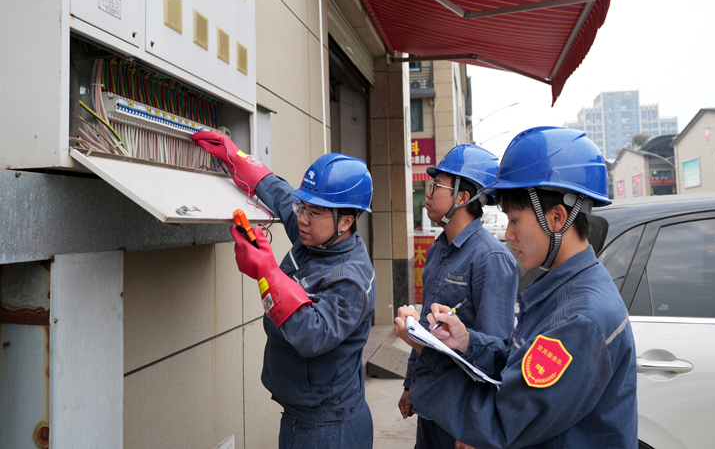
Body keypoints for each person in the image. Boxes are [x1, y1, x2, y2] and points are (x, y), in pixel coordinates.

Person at [394, 127, 638, 448]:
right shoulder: (562, 290)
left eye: (514, 220)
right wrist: (468, 342)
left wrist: (427, 356)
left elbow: (502, 423)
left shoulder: (580, 319)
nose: (508, 234)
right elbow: (519, 362)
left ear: (556, 218)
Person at [192, 132, 376, 449]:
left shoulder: (350, 279)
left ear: (345, 221)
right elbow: (278, 194)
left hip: (328, 429)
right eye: (302, 207)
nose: (301, 218)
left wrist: (266, 271)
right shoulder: (317, 234)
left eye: (312, 212)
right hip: (303, 419)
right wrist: (236, 157)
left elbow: (310, 333)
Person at [398, 144, 518, 449]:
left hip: (462, 415)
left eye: (437, 185)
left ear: (462, 197)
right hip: (432, 401)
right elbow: (427, 331)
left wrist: (477, 428)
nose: (427, 192)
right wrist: (412, 383)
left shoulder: (490, 258)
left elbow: (495, 354)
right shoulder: (439, 249)